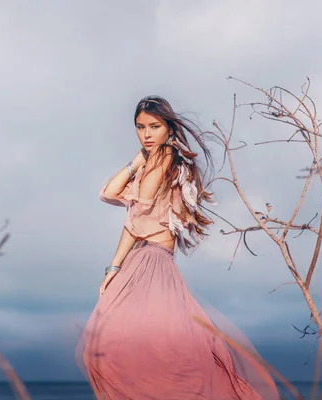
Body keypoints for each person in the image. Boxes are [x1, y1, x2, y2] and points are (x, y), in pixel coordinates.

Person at [76, 96, 280, 399]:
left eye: (154, 127)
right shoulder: (156, 159)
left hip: (151, 264)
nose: (146, 134)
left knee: (137, 352)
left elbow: (139, 209)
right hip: (143, 260)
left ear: (168, 128)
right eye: (140, 127)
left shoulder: (166, 156)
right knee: (137, 351)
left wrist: (115, 266)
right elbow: (109, 194)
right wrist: (136, 162)